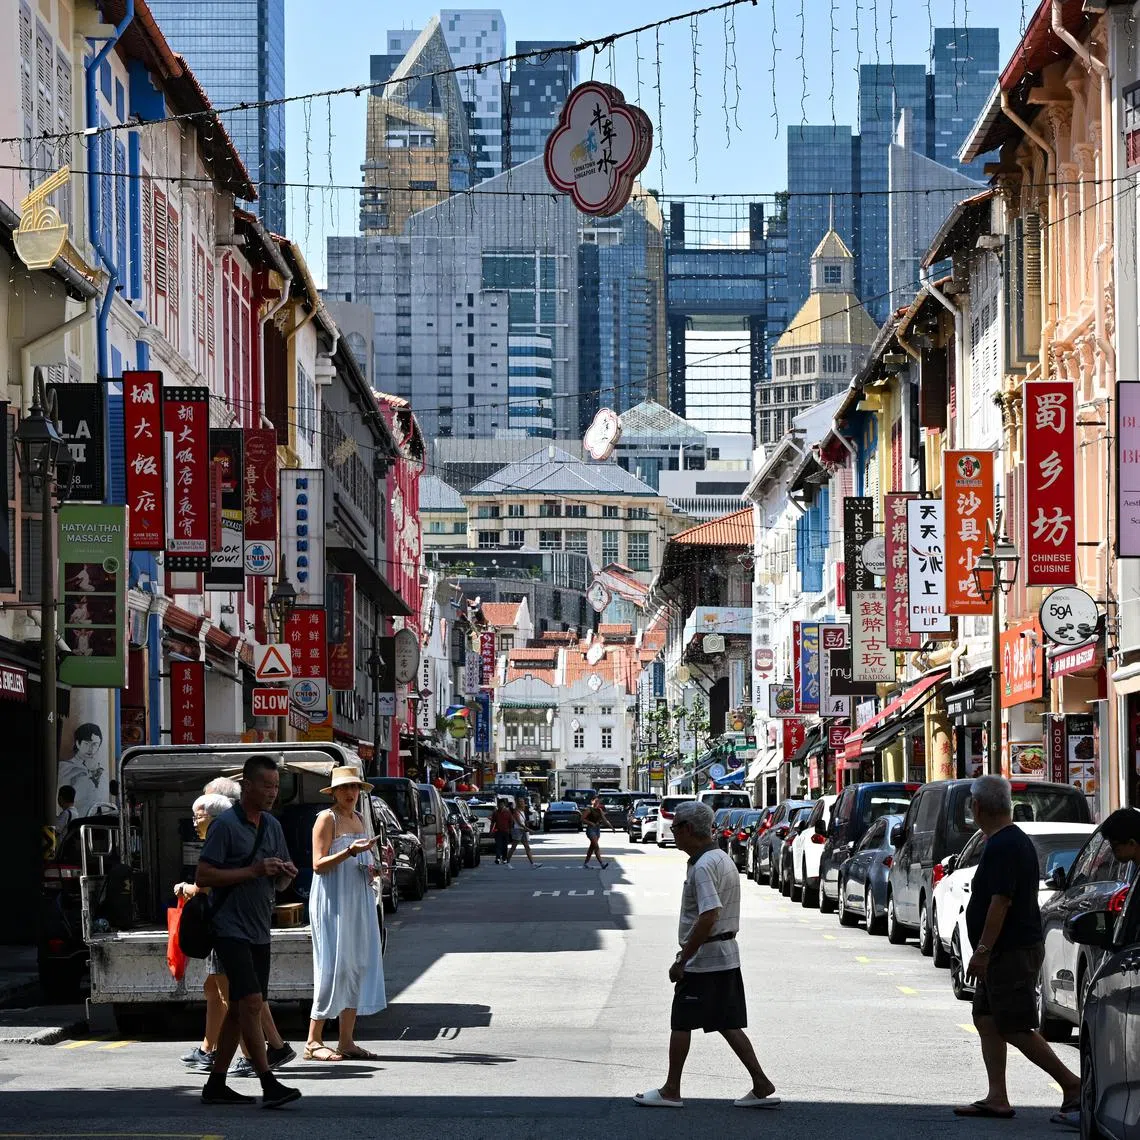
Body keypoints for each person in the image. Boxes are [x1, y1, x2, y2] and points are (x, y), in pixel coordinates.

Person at [634, 800, 778, 1110]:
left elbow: (709, 914)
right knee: (726, 1021)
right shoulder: (720, 858)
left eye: (675, 829)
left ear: (687, 829)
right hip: (724, 955)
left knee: (682, 1022)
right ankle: (761, 1082)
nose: (673, 835)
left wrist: (682, 960)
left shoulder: (702, 866)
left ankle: (671, 1089)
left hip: (704, 959)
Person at [954, 775, 1080, 1121]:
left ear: (977, 808)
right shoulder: (1003, 840)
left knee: (1013, 1024)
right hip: (1004, 949)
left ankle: (1072, 1085)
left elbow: (1001, 902)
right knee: (986, 1017)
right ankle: (997, 1096)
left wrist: (982, 951)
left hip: (1009, 950)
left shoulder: (1005, 845)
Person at [195, 755, 301, 1108]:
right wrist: (254, 871)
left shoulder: (272, 825)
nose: (272, 792)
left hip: (260, 928)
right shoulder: (224, 825)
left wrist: (285, 872)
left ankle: (216, 1083)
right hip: (229, 927)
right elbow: (204, 876)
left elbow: (282, 882)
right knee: (252, 1002)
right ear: (248, 786)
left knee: (241, 1007)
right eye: (266, 786)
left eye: (276, 786)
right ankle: (268, 1082)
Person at [179, 785, 295, 1078]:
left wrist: (185, 889)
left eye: (199, 815)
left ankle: (257, 1059)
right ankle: (224, 1063)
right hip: (231, 929)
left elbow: (205, 881)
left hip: (236, 928)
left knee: (241, 999)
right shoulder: (225, 836)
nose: (195, 821)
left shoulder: (244, 831)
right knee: (235, 999)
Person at [305, 767, 387, 1063]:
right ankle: (313, 1041)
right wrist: (350, 853)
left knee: (355, 965)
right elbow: (318, 864)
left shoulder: (360, 818)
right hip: (333, 900)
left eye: (354, 787)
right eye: (344, 788)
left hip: (359, 898)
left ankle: (346, 1040)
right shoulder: (327, 819)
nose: (350, 793)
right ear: (334, 792)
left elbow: (360, 860)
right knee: (332, 966)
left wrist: (373, 866)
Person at [57, 723, 106, 818]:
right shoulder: (65, 767)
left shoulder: (101, 772)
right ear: (77, 743)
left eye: (95, 744)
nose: (90, 749)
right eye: (86, 743)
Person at [581, 796, 614, 869]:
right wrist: (590, 823)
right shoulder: (589, 810)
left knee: (592, 847)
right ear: (592, 801)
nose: (597, 803)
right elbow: (582, 819)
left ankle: (586, 863)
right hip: (591, 829)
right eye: (595, 801)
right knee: (596, 846)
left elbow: (605, 820)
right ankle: (602, 863)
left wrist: (611, 827)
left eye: (598, 802)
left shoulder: (599, 810)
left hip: (597, 829)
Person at [508, 797, 538, 867]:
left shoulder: (522, 811)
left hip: (523, 830)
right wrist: (529, 829)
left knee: (527, 847)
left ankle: (532, 864)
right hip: (517, 830)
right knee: (513, 847)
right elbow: (519, 823)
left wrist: (528, 823)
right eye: (520, 802)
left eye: (523, 802)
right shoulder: (516, 811)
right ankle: (508, 862)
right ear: (518, 803)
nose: (522, 803)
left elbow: (523, 822)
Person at [491, 799, 514, 865]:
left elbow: (511, 822)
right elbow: (493, 822)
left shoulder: (508, 812)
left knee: (504, 846)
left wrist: (510, 830)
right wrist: (491, 831)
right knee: (498, 845)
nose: (500, 806)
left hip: (506, 831)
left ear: (504, 805)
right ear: (498, 805)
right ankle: (497, 858)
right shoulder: (495, 812)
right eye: (499, 805)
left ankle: (504, 858)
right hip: (498, 831)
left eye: (502, 804)